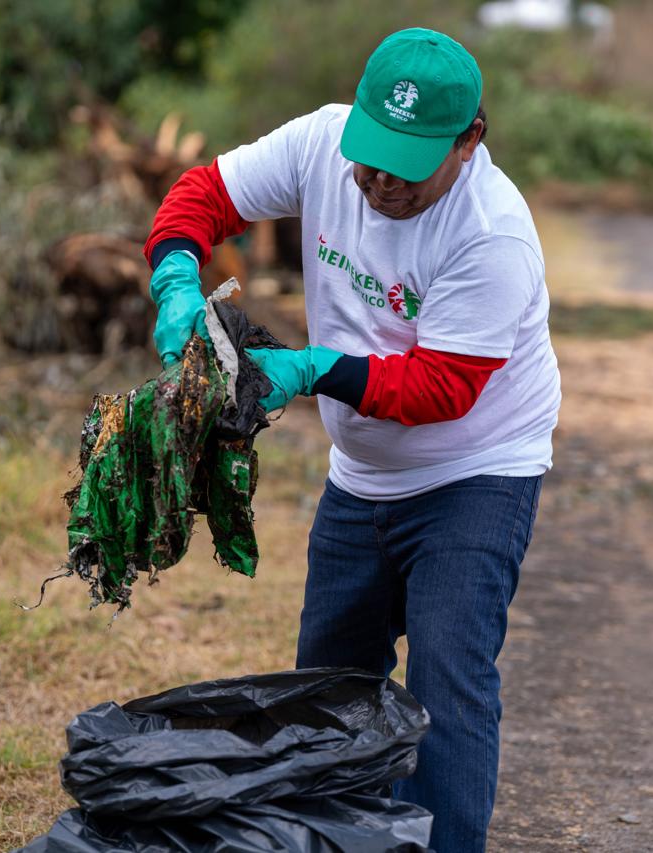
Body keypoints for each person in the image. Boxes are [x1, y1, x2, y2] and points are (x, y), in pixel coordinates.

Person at [142, 27, 561, 851]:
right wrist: (177, 283)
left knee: (448, 681)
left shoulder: (492, 234)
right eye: (369, 155)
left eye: (405, 166)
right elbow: (198, 196)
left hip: (477, 471)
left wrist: (309, 368)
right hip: (362, 475)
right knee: (326, 688)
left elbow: (439, 389)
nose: (376, 182)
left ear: (468, 141)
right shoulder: (321, 143)